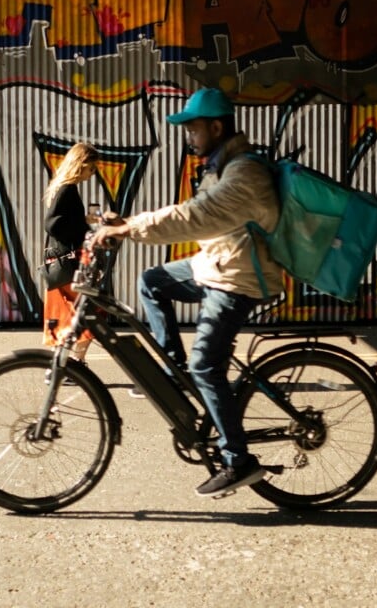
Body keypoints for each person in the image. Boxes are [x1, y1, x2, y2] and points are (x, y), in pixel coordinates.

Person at [91, 88, 284, 498]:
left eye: (194, 129)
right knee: (152, 281)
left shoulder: (243, 173)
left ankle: (239, 461)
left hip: (240, 277)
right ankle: (171, 370)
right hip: (217, 263)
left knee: (207, 367)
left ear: (216, 127)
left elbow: (195, 217)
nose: (190, 138)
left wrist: (128, 229)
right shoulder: (222, 167)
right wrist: (128, 221)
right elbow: (198, 214)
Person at [41, 142, 99, 379]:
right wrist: (84, 227)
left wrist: (83, 219)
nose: (91, 174)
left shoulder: (64, 187)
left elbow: (64, 219)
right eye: (91, 169)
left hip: (61, 263)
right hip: (67, 263)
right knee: (85, 314)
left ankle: (60, 368)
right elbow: (53, 224)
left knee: (68, 318)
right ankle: (74, 364)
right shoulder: (67, 189)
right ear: (82, 164)